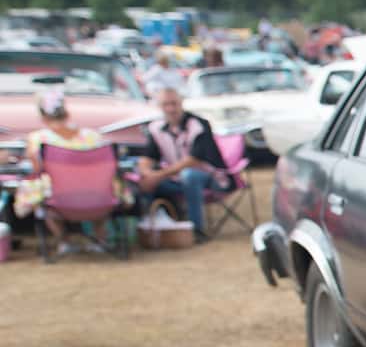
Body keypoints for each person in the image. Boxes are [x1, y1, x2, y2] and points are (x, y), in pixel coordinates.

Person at [14, 89, 125, 254]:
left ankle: (63, 241)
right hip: (99, 198)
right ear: (66, 112)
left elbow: (37, 170)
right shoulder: (93, 136)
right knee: (107, 186)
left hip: (59, 201)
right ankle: (100, 239)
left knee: (38, 193)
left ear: (42, 116)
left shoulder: (38, 139)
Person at [135, 87, 225, 241]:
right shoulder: (155, 127)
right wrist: (146, 173)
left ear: (181, 103)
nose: (170, 109)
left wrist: (159, 175)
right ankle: (151, 230)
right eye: (166, 105)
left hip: (209, 177)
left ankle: (195, 230)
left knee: (189, 176)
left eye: (174, 103)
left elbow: (194, 160)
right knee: (144, 182)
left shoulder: (198, 124)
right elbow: (147, 157)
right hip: (175, 178)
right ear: (159, 106)